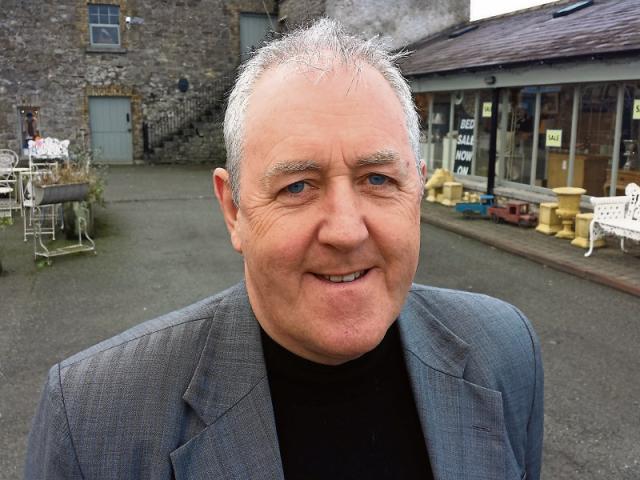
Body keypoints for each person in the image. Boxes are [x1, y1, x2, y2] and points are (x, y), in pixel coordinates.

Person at [25, 19, 543, 480]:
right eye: (297, 186)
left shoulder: (505, 351)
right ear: (234, 210)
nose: (346, 231)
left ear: (418, 189)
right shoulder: (93, 419)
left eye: (378, 179)